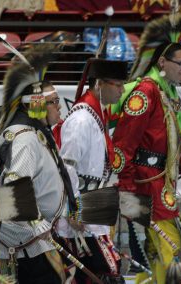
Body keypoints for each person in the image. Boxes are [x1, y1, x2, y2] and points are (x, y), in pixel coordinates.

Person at [111, 11, 181, 284]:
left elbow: (170, 135)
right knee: (170, 245)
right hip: (145, 183)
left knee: (154, 247)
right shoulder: (146, 91)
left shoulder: (168, 91)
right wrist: (127, 185)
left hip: (159, 182)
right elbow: (124, 141)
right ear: (163, 62)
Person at [0, 45, 76, 284]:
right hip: (25, 242)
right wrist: (41, 230)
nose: (59, 106)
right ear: (37, 104)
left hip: (36, 237)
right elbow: (15, 192)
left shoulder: (36, 133)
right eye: (54, 101)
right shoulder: (25, 138)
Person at [53, 58, 128, 283]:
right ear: (98, 85)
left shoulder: (97, 116)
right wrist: (75, 210)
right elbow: (67, 168)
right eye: (116, 84)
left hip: (95, 208)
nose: (122, 90)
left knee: (97, 274)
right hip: (81, 213)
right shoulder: (81, 120)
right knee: (104, 273)